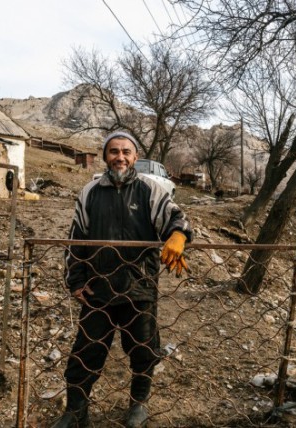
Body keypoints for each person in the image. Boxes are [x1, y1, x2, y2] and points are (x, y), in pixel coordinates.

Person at [52, 131, 192, 428]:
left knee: (143, 350)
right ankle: (76, 411)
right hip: (98, 290)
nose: (120, 157)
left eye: (126, 152)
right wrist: (76, 281)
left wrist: (178, 235)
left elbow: (175, 216)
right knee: (85, 352)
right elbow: (76, 240)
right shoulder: (89, 192)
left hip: (139, 287)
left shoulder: (149, 190)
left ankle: (138, 405)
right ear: (105, 156)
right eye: (114, 151)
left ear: (135, 158)